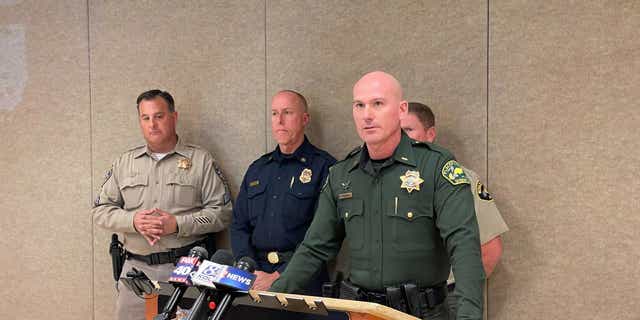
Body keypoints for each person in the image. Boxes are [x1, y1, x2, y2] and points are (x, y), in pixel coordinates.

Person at [270, 72, 485, 320]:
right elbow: (315, 247)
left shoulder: (435, 167)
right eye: (359, 105)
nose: (367, 115)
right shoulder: (342, 174)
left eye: (378, 104)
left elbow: (464, 246)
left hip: (421, 313)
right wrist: (274, 298)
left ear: (401, 110)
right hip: (361, 313)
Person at [92, 89, 233, 320]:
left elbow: (222, 213)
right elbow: (100, 210)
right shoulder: (124, 163)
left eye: (159, 116)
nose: (152, 124)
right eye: (145, 118)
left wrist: (177, 224)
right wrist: (133, 221)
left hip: (185, 271)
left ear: (173, 117)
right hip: (136, 274)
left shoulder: (200, 161)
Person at [401, 102, 509, 316]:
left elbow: (490, 250)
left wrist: (458, 297)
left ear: (430, 134)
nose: (402, 139)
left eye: (408, 130)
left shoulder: (458, 179)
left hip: (443, 300)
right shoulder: (377, 182)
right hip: (390, 304)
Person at [231, 90, 336, 293]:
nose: (279, 120)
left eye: (287, 113)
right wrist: (248, 268)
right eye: (274, 113)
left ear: (304, 119)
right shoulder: (258, 168)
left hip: (303, 279)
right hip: (254, 278)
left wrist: (280, 275)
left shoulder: (325, 167)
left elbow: (324, 234)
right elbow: (238, 224)